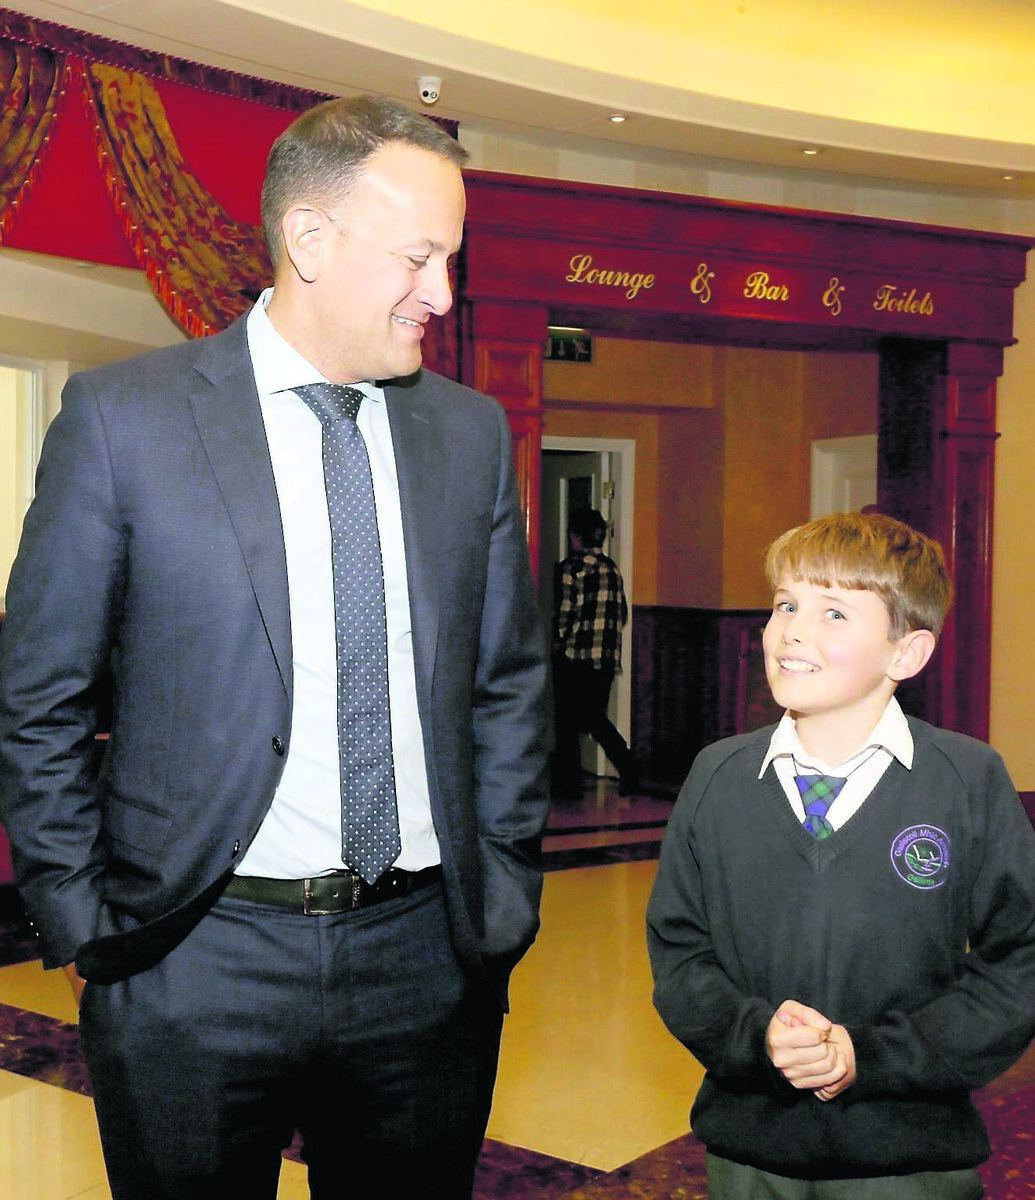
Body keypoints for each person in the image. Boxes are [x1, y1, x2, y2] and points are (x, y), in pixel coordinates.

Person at [0, 94, 549, 1199]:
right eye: (419, 258)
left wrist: (502, 901)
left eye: (451, 261)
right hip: (193, 959)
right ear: (308, 240)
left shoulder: (471, 434)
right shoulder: (124, 421)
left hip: (426, 958)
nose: (441, 295)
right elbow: (38, 695)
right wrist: (84, 922)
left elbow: (507, 685)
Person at [646, 511, 1035, 1199]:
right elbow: (679, 951)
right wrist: (755, 1036)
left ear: (904, 655)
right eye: (785, 605)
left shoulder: (966, 780)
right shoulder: (717, 775)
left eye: (832, 612)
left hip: (907, 1158)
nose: (792, 629)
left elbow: (1018, 962)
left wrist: (873, 1055)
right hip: (749, 1150)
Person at [551, 507, 638, 796]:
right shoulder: (612, 568)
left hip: (576, 656)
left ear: (576, 536)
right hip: (606, 657)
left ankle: (569, 782)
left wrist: (556, 644)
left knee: (568, 722)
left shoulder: (571, 568)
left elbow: (566, 613)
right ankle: (628, 766)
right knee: (594, 718)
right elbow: (622, 613)